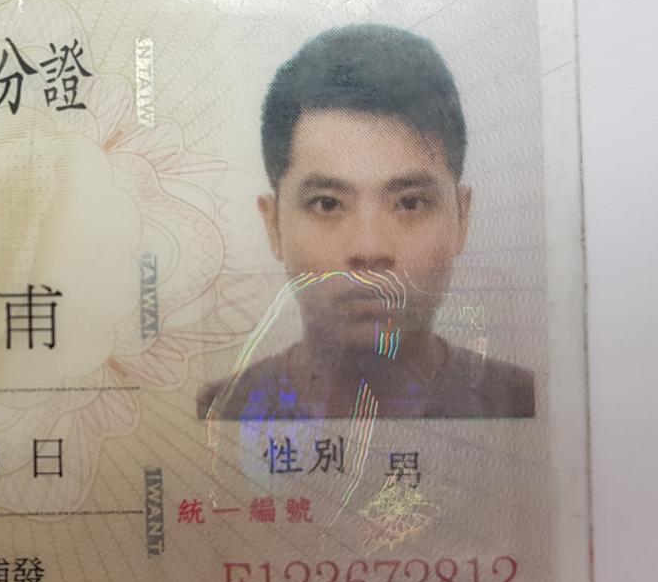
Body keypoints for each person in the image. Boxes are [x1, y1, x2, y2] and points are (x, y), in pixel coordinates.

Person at [199, 23, 534, 420]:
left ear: (461, 218)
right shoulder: (217, 415)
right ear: (273, 226)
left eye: (409, 203)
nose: (369, 249)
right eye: (327, 204)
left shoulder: (525, 403)